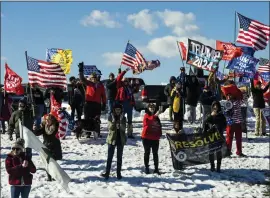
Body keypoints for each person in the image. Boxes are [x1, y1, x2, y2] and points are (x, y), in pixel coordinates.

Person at [78, 62, 106, 138]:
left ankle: (97, 132)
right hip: (88, 104)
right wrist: (81, 70)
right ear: (90, 78)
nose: (93, 79)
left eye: (95, 78)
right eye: (92, 78)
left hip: (97, 105)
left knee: (96, 119)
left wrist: (104, 103)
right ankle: (87, 133)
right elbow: (82, 78)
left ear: (97, 78)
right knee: (87, 119)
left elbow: (103, 95)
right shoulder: (88, 83)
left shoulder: (101, 85)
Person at [33, 114, 62, 181]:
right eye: (46, 119)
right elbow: (37, 133)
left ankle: (54, 176)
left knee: (53, 163)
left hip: (55, 147)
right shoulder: (44, 127)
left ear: (52, 120)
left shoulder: (57, 126)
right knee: (47, 163)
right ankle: (49, 178)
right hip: (46, 146)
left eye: (49, 120)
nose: (47, 121)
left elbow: (62, 128)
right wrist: (34, 129)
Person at [101, 103, 126, 180]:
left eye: (119, 109)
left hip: (120, 139)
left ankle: (118, 173)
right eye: (116, 109)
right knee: (109, 157)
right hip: (112, 139)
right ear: (114, 110)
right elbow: (110, 127)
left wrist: (121, 122)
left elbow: (123, 129)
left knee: (119, 157)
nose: (118, 111)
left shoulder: (123, 118)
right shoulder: (110, 117)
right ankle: (107, 172)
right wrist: (114, 121)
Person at [203, 101, 227, 172]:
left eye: (217, 106)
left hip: (219, 136)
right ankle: (212, 166)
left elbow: (225, 125)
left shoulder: (221, 115)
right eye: (214, 106)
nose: (215, 108)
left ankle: (218, 167)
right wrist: (211, 116)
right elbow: (205, 123)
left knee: (218, 152)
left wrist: (218, 122)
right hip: (211, 137)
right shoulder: (209, 115)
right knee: (211, 152)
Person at [141, 103, 162, 175]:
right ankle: (146, 167)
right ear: (148, 108)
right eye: (150, 107)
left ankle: (156, 168)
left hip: (155, 138)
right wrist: (155, 115)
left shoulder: (157, 117)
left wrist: (159, 134)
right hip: (146, 138)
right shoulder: (146, 116)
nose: (152, 108)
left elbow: (159, 126)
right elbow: (147, 123)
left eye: (153, 107)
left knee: (155, 153)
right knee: (147, 153)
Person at [115, 67, 135, 138]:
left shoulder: (129, 88)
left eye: (127, 81)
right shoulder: (120, 87)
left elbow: (132, 95)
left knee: (130, 120)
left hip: (129, 105)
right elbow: (118, 79)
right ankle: (121, 132)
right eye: (124, 81)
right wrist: (123, 71)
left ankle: (130, 133)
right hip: (122, 104)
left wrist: (133, 104)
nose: (126, 82)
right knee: (121, 119)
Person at [224, 93, 246, 157]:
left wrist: (242, 94)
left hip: (238, 122)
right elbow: (225, 112)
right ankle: (228, 152)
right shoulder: (226, 102)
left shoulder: (238, 101)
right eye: (228, 95)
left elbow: (244, 100)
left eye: (231, 94)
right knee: (229, 138)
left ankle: (239, 152)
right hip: (230, 123)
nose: (230, 96)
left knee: (239, 138)